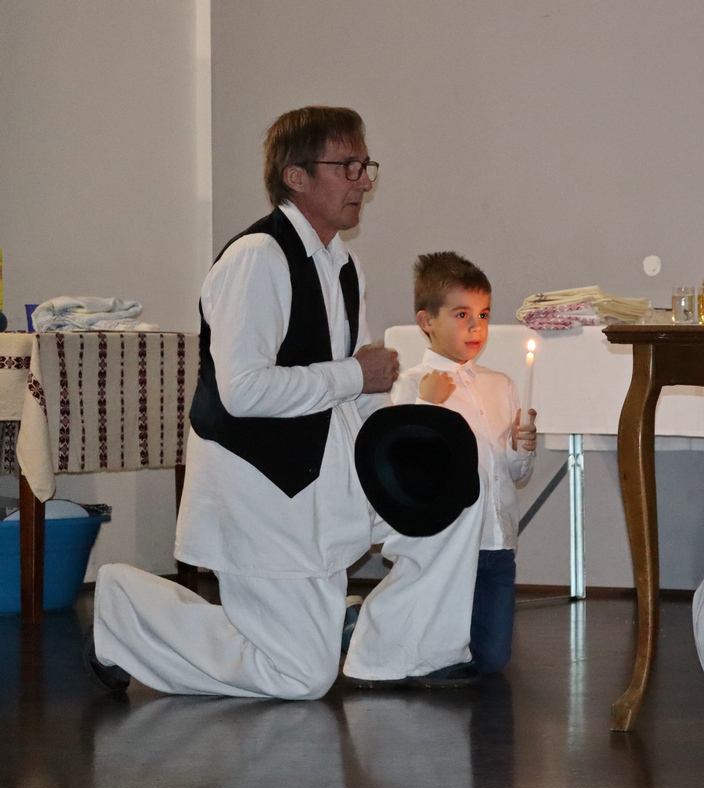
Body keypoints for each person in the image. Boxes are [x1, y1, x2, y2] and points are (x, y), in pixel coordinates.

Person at [86, 106, 482, 699]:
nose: (363, 180)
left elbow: (356, 388)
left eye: (365, 165)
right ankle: (123, 611)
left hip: (324, 473)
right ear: (296, 177)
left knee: (452, 488)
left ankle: (395, 651)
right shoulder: (256, 258)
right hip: (263, 491)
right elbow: (243, 390)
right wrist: (355, 373)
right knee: (301, 677)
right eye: (347, 166)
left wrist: (400, 438)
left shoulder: (344, 265)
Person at [393, 252, 537, 674]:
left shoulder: (500, 385)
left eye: (483, 314)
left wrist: (521, 449)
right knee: (435, 655)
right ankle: (366, 627)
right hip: (445, 547)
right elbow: (407, 467)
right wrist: (427, 405)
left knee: (491, 659)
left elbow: (514, 473)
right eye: (461, 315)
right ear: (426, 321)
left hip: (497, 545)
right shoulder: (409, 385)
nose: (476, 327)